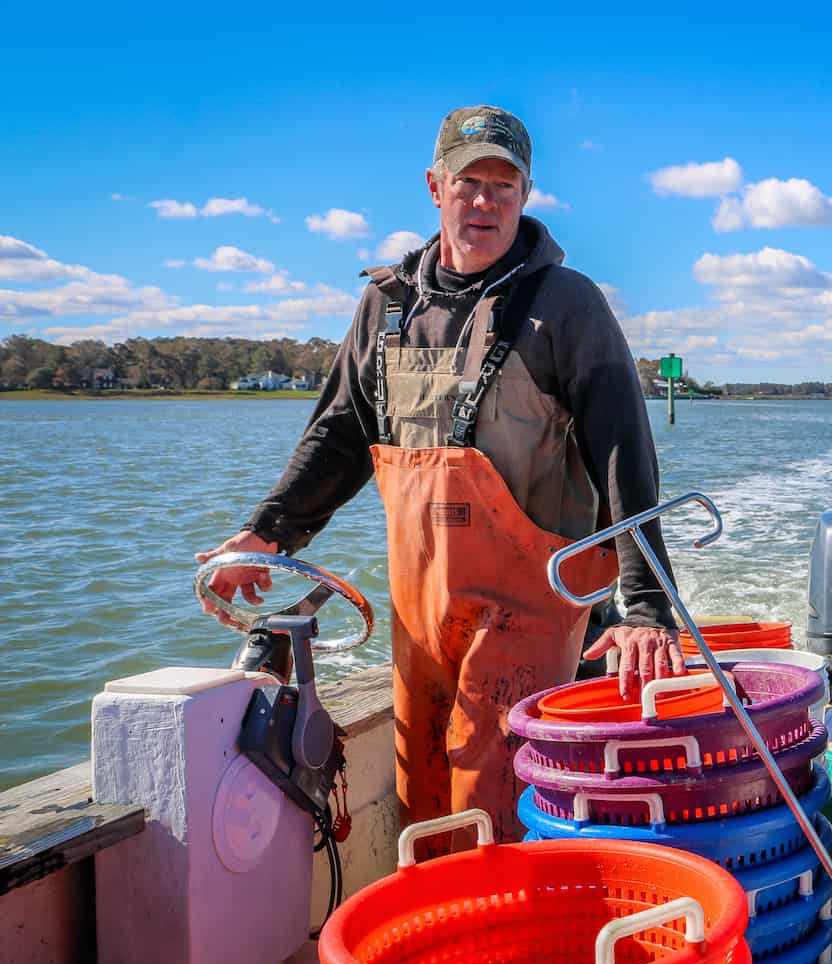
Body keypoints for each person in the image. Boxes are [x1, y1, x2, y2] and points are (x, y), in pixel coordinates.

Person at [196, 104, 684, 845]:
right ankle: (443, 947)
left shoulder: (568, 305)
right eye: (469, 182)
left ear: (525, 195)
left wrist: (647, 609)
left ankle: (522, 947)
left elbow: (626, 456)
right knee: (423, 791)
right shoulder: (386, 305)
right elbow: (340, 434)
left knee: (495, 788)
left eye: (504, 184)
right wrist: (271, 532)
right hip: (420, 611)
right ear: (436, 186)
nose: (484, 201)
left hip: (534, 604)